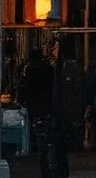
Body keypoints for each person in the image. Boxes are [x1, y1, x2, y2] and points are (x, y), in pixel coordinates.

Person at [23, 43, 62, 178]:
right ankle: (50, 167)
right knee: (49, 140)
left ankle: (45, 165)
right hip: (48, 107)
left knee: (41, 140)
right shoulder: (49, 69)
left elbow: (28, 90)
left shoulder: (31, 70)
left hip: (37, 109)